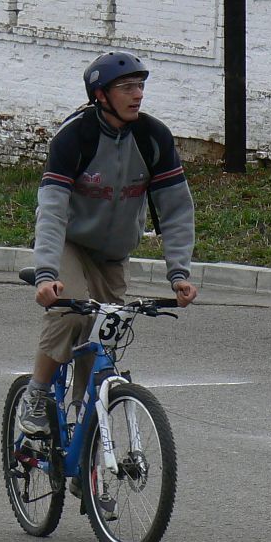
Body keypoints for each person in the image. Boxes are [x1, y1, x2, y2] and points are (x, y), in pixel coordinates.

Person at [17, 50, 198, 437]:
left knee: (104, 333)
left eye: (140, 86)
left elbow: (176, 209)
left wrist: (179, 272)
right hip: (70, 243)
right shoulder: (75, 137)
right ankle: (37, 393)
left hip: (113, 255)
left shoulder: (152, 137)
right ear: (100, 95)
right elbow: (52, 209)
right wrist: (46, 275)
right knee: (71, 313)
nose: (138, 95)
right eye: (127, 87)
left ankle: (84, 433)